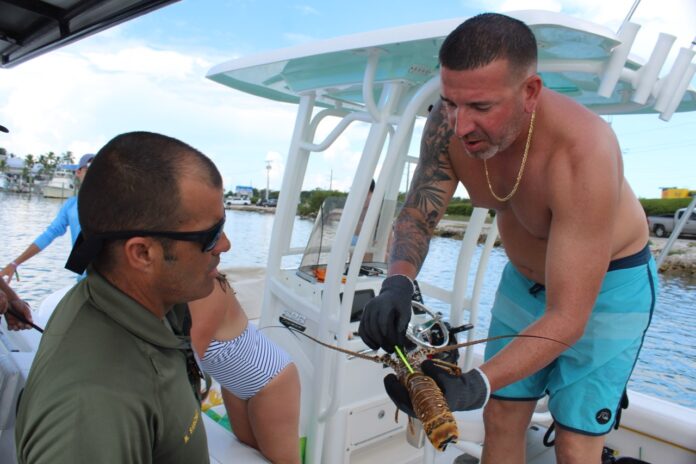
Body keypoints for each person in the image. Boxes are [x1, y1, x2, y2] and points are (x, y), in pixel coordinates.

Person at [358, 13, 655, 464]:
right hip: (523, 279)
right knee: (501, 419)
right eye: (451, 102)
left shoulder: (583, 150)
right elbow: (419, 211)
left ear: (530, 93)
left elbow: (568, 316)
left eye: (480, 107)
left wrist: (473, 383)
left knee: (576, 446)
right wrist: (397, 281)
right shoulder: (445, 125)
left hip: (608, 289)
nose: (460, 125)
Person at [15, 131, 231, 463]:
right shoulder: (91, 409)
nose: (225, 245)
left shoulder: (159, 305)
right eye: (211, 235)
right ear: (142, 253)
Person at [189, 275, 301, 464]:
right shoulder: (175, 288)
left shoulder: (209, 289)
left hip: (271, 381)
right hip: (233, 383)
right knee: (249, 455)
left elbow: (187, 359)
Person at [1, 153, 94, 283]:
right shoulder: (71, 205)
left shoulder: (113, 204)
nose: (94, 174)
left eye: (98, 170)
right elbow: (49, 234)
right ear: (78, 172)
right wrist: (15, 264)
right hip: (85, 281)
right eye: (89, 168)